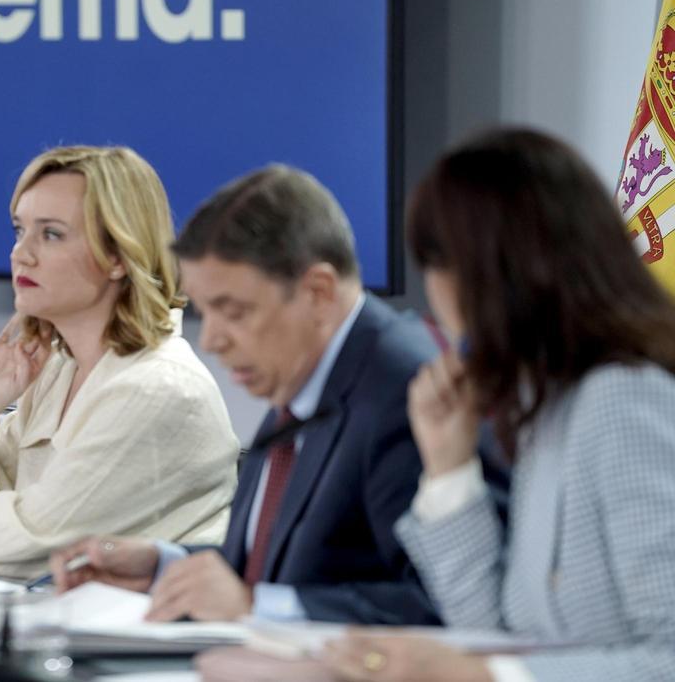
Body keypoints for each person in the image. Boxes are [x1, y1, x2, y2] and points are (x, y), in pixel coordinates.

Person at [279, 128, 675, 682]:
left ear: (491, 272)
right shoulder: (549, 405)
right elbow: (494, 630)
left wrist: (482, 676)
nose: (435, 299)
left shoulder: (624, 399)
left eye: (436, 267)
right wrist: (448, 468)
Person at [54, 164, 509, 624]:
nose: (211, 340)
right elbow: (270, 568)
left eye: (232, 311)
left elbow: (451, 607)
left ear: (317, 292)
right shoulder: (306, 377)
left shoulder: (405, 392)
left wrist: (258, 608)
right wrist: (162, 567)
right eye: (205, 310)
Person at [0, 145, 239, 579]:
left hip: (137, 640)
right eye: (19, 230)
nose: (20, 254)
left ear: (120, 256)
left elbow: (21, 548)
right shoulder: (57, 366)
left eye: (51, 234)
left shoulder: (156, 389)